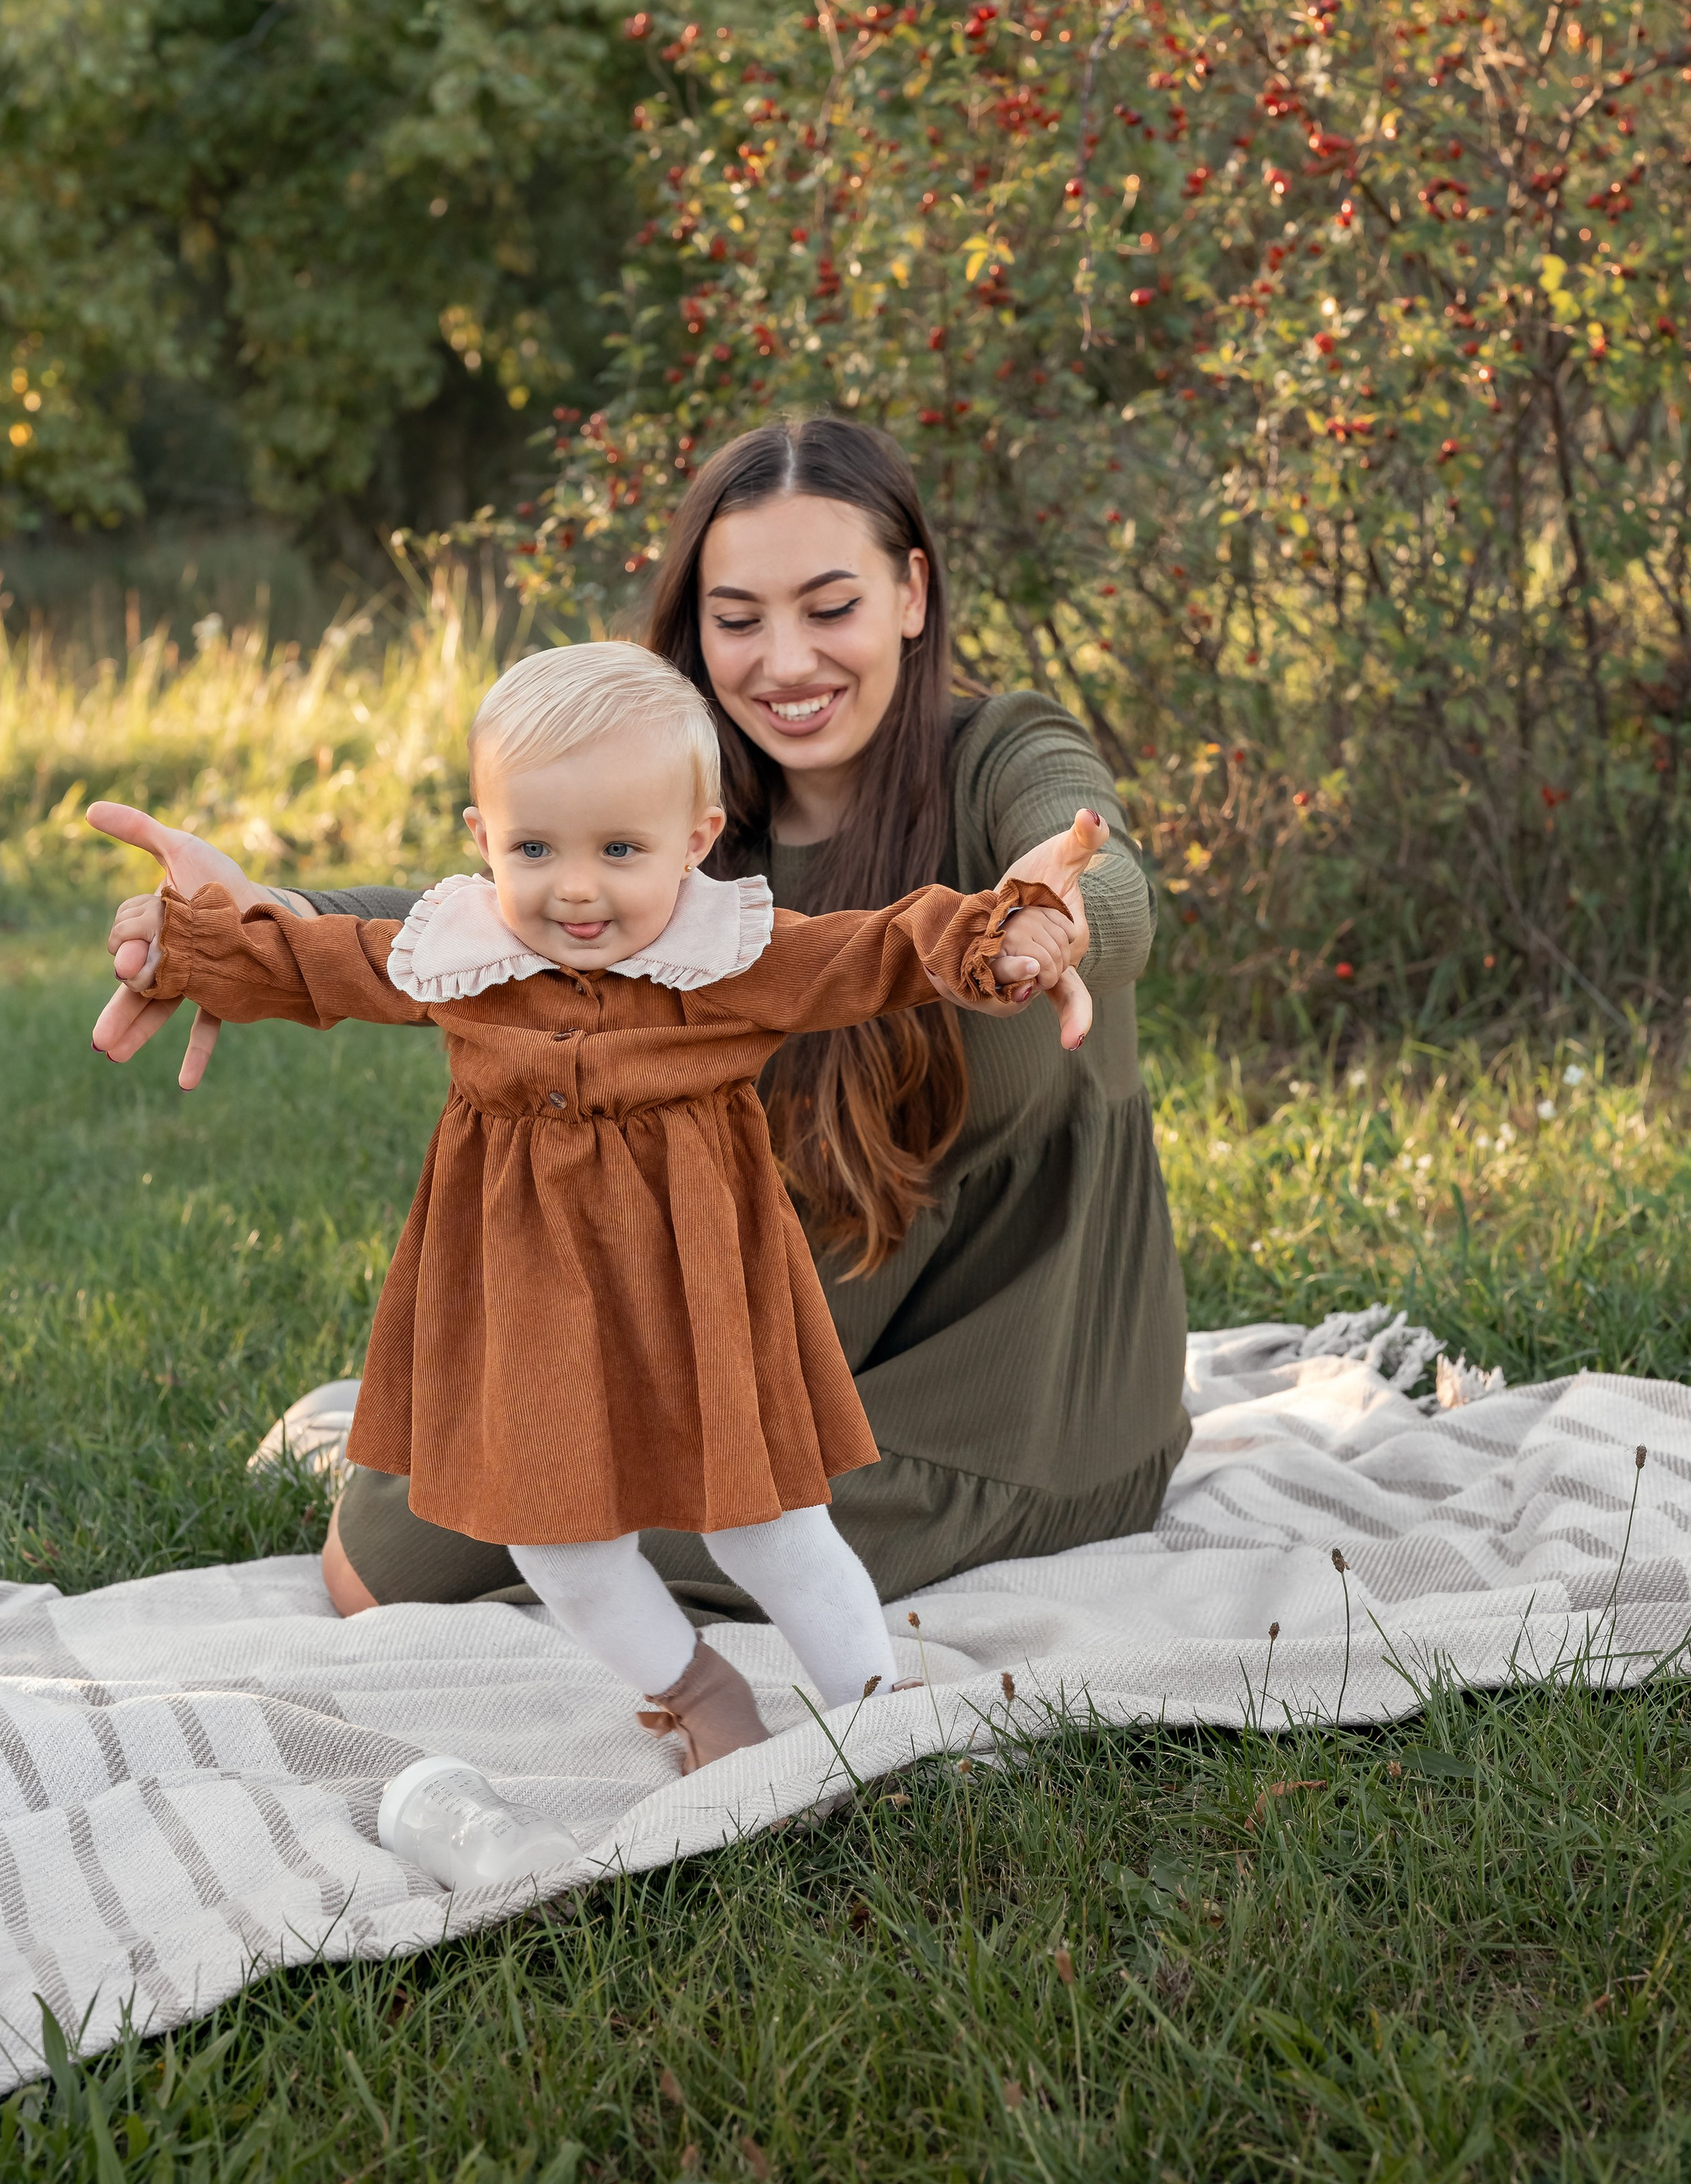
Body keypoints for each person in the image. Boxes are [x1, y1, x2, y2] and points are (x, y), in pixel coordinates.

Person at [91, 413, 1190, 1625]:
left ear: (912, 593)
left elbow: (1110, 881)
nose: (786, 661)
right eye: (739, 619)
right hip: (794, 1315)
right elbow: (495, 921)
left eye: (831, 607)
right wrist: (270, 920)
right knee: (394, 1550)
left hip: (1017, 1389)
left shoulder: (1005, 752)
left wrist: (1051, 909)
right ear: (694, 627)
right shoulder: (696, 806)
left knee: (665, 1536)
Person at [102, 639, 1097, 1769]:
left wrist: (1002, 934)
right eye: (535, 847)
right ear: (483, 842)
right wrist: (182, 945)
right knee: (556, 1539)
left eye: (620, 849)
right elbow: (316, 964)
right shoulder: (464, 952)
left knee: (765, 1524)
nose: (575, 886)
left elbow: (878, 950)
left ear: (696, 840)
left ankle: (876, 1705)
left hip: (701, 1292)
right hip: (533, 1303)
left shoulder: (727, 955)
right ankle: (701, 1692)